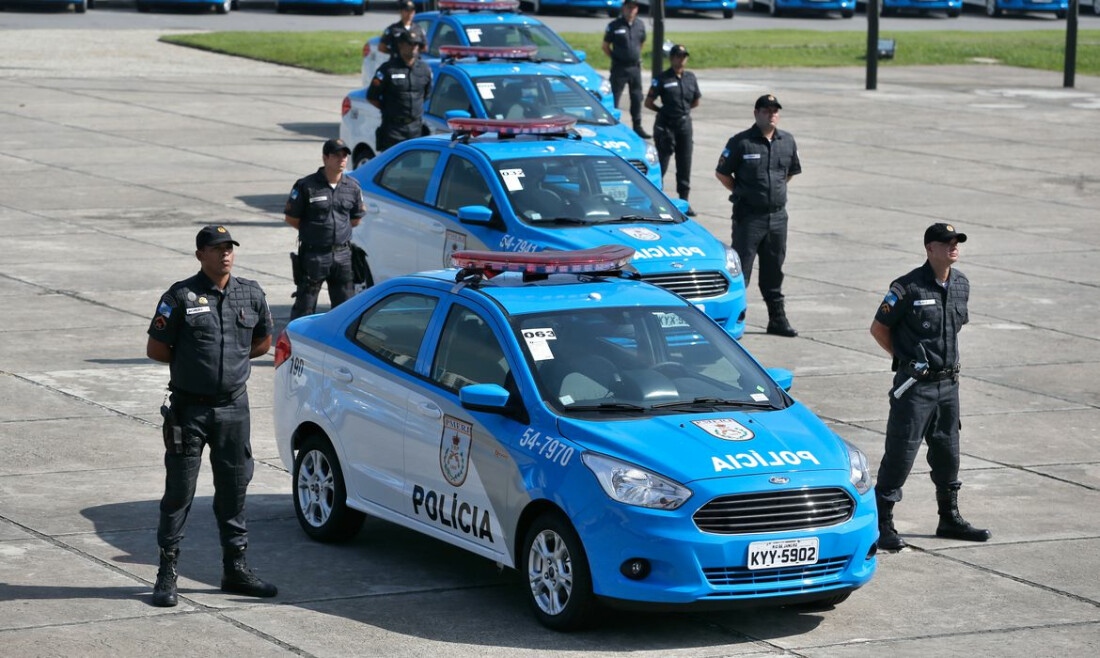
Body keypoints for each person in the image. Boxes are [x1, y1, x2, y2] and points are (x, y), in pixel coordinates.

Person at [146, 225, 277, 607]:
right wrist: (194, 366)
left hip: (234, 408)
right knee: (179, 493)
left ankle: (235, 569)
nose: (225, 254)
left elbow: (263, 340)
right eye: (217, 248)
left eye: (229, 248)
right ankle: (167, 573)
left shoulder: (251, 293)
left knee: (234, 490)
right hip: (190, 410)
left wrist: (229, 366)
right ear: (200, 254)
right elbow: (157, 348)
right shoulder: (180, 296)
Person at [869, 223, 992, 551]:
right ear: (930, 248)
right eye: (946, 242)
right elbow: (879, 328)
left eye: (957, 242)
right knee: (901, 454)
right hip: (916, 388)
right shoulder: (907, 287)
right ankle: (883, 523)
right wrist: (906, 359)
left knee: (948, 453)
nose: (953, 247)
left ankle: (948, 518)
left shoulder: (962, 284)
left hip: (949, 385)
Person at [715, 94, 801, 337]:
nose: (771, 114)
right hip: (749, 218)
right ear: (756, 113)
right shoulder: (741, 142)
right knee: (742, 270)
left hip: (777, 218)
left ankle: (777, 319)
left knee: (774, 270)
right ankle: (734, 319)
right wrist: (744, 193)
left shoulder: (787, 141)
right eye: (766, 110)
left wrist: (772, 194)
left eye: (775, 110)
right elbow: (722, 173)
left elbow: (789, 173)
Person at [284, 138, 366, 320]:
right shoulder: (306, 186)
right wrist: (316, 233)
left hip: (343, 255)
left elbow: (355, 219)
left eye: (344, 156)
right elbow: (291, 218)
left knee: (345, 308)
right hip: (314, 255)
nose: (342, 160)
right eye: (336, 155)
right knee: (305, 305)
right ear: (325, 158)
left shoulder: (352, 187)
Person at [644, 44, 700, 216]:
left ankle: (684, 201)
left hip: (684, 126)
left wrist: (681, 113)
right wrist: (664, 112)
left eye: (684, 56)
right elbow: (648, 102)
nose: (681, 59)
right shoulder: (662, 78)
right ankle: (655, 201)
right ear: (672, 58)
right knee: (662, 164)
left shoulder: (690, 77)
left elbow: (696, 100)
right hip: (666, 126)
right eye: (678, 56)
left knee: (685, 164)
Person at [367, 28, 433, 153]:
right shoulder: (387, 69)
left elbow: (426, 94)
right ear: (401, 45)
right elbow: (372, 96)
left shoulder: (425, 70)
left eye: (416, 44)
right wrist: (389, 109)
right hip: (393, 130)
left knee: (414, 169)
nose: (414, 47)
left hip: (416, 130)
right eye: (410, 43)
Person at [602, 0, 649, 139]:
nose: (631, 10)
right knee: (615, 97)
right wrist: (616, 58)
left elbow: (642, 42)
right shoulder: (614, 25)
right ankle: (613, 125)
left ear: (637, 9)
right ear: (624, 8)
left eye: (634, 8)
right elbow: (605, 46)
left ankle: (637, 126)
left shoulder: (640, 25)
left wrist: (635, 56)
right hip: (619, 68)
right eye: (629, 7)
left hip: (634, 68)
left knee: (636, 97)